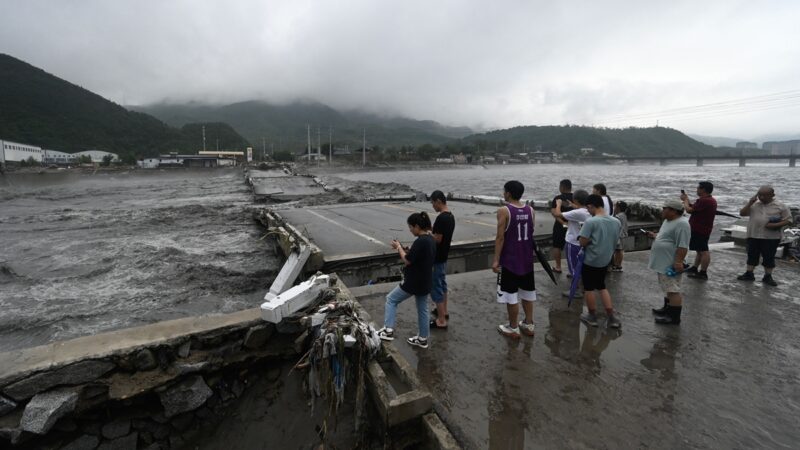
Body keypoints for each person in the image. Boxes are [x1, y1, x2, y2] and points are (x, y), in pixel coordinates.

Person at [378, 212, 436, 348]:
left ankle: (388, 330)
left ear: (417, 226)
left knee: (391, 299)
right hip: (426, 280)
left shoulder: (420, 241)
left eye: (411, 227)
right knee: (423, 309)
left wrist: (398, 248)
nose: (410, 230)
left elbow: (407, 261)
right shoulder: (430, 239)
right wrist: (404, 249)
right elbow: (417, 255)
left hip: (413, 281)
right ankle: (422, 338)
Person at [493, 180, 536, 338]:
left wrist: (496, 259)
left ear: (509, 193)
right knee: (527, 292)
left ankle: (512, 327)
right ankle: (529, 324)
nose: (503, 194)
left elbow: (500, 237)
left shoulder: (504, 210)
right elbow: (530, 234)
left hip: (510, 260)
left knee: (511, 295)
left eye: (504, 191)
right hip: (526, 259)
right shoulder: (530, 210)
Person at [578, 194, 621, 328]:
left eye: (588, 209)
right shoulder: (616, 221)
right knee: (602, 286)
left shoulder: (591, 222)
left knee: (589, 288)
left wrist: (590, 240)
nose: (588, 212)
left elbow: (582, 242)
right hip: (606, 259)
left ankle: (592, 316)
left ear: (591, 206)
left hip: (591, 260)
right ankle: (611, 317)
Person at [737, 186, 792, 286]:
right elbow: (742, 213)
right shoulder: (754, 205)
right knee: (751, 255)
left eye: (764, 195)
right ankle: (749, 273)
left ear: (772, 195)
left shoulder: (780, 206)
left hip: (771, 237)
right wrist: (750, 203)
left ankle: (768, 276)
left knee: (769, 257)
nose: (761, 197)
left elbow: (788, 220)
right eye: (760, 195)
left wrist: (775, 225)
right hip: (753, 234)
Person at [647, 200, 690, 325]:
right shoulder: (668, 221)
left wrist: (678, 262)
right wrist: (655, 236)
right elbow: (666, 236)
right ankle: (667, 309)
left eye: (664, 208)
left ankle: (673, 317)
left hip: (670, 262)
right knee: (667, 287)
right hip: (663, 262)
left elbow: (683, 246)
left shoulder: (682, 224)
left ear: (673, 210)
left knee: (672, 289)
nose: (662, 210)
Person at [429, 190, 455, 329]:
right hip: (444, 255)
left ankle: (441, 321)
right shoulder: (450, 216)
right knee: (442, 284)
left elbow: (438, 239)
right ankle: (444, 311)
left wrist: (426, 234)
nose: (433, 206)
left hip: (437, 257)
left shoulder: (441, 218)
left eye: (433, 203)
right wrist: (431, 230)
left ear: (438, 201)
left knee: (436, 288)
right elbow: (441, 234)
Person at [553, 189, 591, 284]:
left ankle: (576, 290)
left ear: (576, 200)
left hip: (573, 242)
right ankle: (583, 286)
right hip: (583, 243)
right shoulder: (589, 211)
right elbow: (580, 209)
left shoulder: (576, 213)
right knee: (581, 265)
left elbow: (557, 214)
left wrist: (558, 204)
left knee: (572, 266)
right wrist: (572, 205)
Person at [681, 181, 717, 280]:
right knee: (699, 250)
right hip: (701, 228)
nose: (697, 190)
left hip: (700, 229)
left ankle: (703, 273)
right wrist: (687, 200)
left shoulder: (705, 201)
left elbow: (688, 210)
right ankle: (695, 268)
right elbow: (694, 208)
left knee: (703, 251)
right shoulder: (707, 200)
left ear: (703, 189)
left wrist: (685, 201)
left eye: (698, 188)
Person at [550, 179, 573, 274]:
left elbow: (554, 212)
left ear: (562, 187)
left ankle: (558, 267)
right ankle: (572, 269)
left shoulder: (558, 198)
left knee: (557, 246)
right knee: (572, 246)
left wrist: (563, 223)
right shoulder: (575, 197)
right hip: (573, 225)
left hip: (560, 225)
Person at [611, 200, 628, 272]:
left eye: (615, 206)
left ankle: (618, 265)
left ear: (618, 208)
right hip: (623, 235)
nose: (614, 208)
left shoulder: (618, 216)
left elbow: (616, 226)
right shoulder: (623, 215)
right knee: (619, 250)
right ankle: (617, 264)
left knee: (619, 250)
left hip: (619, 236)